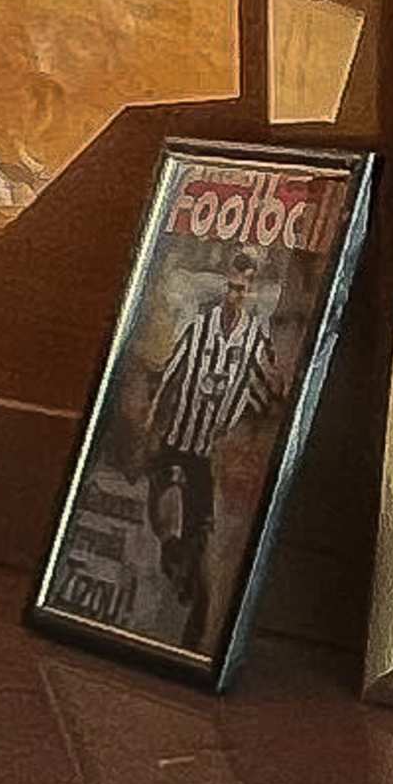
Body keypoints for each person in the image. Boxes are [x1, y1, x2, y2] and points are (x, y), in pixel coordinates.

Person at [137, 269, 277, 649]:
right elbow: (171, 372)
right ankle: (171, 549)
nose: (235, 295)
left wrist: (251, 429)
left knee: (201, 525)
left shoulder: (255, 339)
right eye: (232, 287)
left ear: (250, 293)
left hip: (209, 450)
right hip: (177, 437)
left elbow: (265, 390)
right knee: (166, 498)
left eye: (242, 289)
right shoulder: (199, 327)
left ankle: (191, 590)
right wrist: (153, 418)